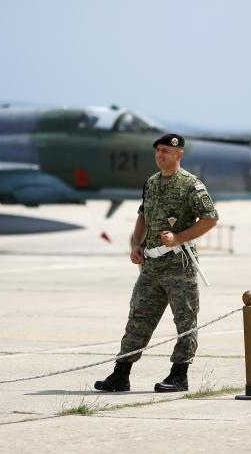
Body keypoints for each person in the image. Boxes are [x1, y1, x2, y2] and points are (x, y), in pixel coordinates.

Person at [94, 134, 218, 392]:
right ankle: (121, 374)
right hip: (151, 267)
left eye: (165, 151)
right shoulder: (151, 183)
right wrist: (136, 245)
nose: (160, 155)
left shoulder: (191, 185)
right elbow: (143, 216)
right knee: (138, 318)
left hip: (179, 266)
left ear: (179, 154)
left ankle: (179, 375)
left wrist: (179, 238)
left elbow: (210, 218)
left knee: (185, 322)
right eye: (158, 151)